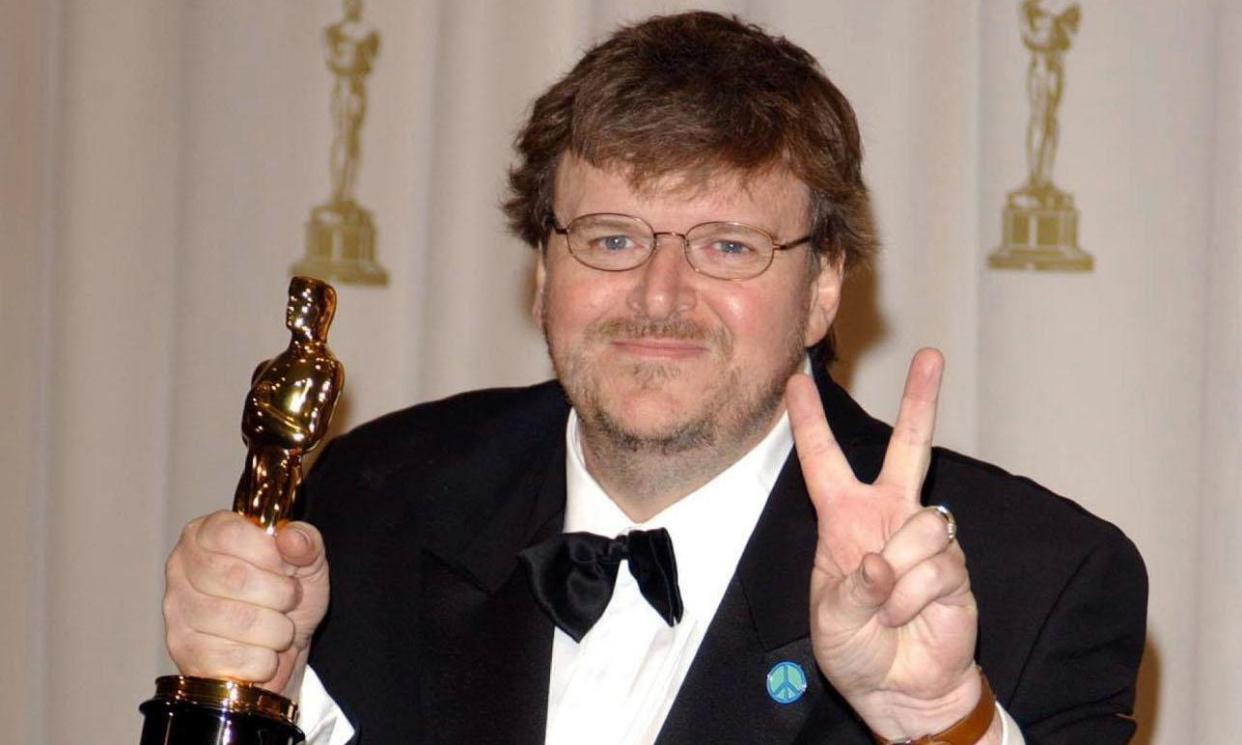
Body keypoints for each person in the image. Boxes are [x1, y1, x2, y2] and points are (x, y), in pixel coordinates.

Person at [161, 11, 1146, 744]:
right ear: (543, 269)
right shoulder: (376, 502)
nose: (659, 297)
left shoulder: (1037, 579)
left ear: (821, 288)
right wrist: (246, 695)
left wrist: (941, 721)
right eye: (612, 237)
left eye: (727, 245)